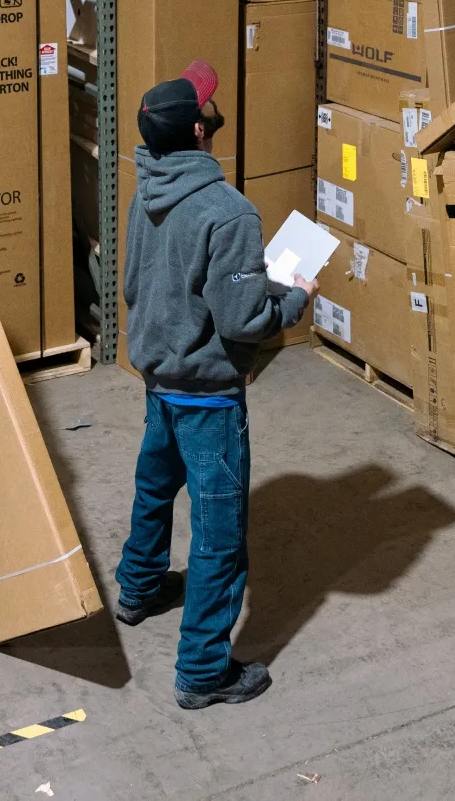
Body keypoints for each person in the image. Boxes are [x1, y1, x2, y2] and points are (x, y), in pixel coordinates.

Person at [113, 60, 316, 709]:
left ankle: (139, 588)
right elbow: (244, 319)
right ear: (201, 132)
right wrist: (293, 297)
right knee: (219, 533)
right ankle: (203, 668)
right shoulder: (228, 213)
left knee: (154, 489)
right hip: (207, 397)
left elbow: (134, 289)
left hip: (159, 378)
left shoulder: (144, 191)